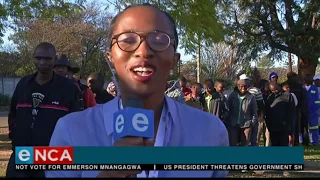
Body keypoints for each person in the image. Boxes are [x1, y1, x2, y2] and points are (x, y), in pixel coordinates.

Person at [46, 3, 228, 178]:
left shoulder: (211, 131)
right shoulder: (70, 130)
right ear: (110, 58)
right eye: (127, 40)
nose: (143, 51)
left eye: (158, 40)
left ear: (174, 60)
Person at [6, 42, 81, 178]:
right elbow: (13, 113)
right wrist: (15, 136)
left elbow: (75, 122)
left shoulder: (68, 88)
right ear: (34, 58)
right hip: (22, 153)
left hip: (52, 155)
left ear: (54, 59)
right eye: (38, 58)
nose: (42, 62)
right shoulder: (24, 84)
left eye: (47, 59)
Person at [226, 79, 257, 146]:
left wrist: (252, 123)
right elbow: (228, 109)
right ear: (238, 86)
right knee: (233, 144)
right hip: (233, 124)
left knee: (245, 144)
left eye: (245, 86)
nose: (243, 88)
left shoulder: (251, 97)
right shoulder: (232, 96)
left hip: (246, 125)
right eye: (241, 86)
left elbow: (254, 112)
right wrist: (229, 121)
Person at [266, 82, 295, 146]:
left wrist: (289, 127)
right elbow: (268, 113)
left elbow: (291, 112)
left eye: (276, 89)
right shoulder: (270, 98)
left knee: (283, 145)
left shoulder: (287, 96)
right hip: (273, 127)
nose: (275, 91)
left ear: (279, 87)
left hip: (284, 127)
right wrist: (269, 126)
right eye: (272, 90)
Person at [239, 74, 264, 146]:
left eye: (247, 80)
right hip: (241, 119)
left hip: (253, 118)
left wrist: (259, 117)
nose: (245, 82)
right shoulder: (237, 91)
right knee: (242, 140)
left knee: (253, 139)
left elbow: (260, 104)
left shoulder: (256, 90)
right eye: (243, 80)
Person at [287, 72, 309, 146]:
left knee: (296, 127)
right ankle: (295, 142)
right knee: (296, 128)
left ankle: (295, 142)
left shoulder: (298, 87)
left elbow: (304, 99)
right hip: (296, 110)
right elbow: (304, 99)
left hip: (296, 110)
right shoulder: (298, 87)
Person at [303, 74, 320, 145]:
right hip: (303, 111)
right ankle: (303, 141)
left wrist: (315, 108)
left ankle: (315, 141)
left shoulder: (314, 88)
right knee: (303, 127)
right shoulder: (302, 88)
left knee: (314, 127)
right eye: (308, 79)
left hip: (313, 112)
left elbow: (317, 100)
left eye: (310, 79)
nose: (309, 80)